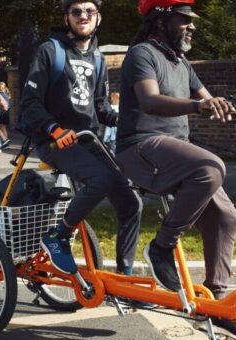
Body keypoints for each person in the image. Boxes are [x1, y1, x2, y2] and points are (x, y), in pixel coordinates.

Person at [116, 0, 236, 340]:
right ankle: (162, 247)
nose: (192, 26)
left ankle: (214, 303)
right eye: (185, 20)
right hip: (140, 147)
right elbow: (151, 101)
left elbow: (211, 103)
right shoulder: (142, 54)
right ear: (161, 20)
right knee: (211, 167)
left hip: (173, 154)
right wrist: (199, 105)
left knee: (227, 218)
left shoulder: (181, 62)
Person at [20, 0, 143, 278]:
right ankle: (58, 236)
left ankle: (125, 277)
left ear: (98, 18)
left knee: (131, 202)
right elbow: (29, 103)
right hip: (56, 141)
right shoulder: (50, 52)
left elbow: (100, 106)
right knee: (101, 179)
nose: (83, 16)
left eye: (89, 11)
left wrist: (124, 121)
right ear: (67, 18)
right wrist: (54, 128)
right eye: (76, 11)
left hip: (89, 141)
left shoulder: (98, 58)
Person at [0, 82, 11, 149]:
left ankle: (5, 140)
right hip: (7, 113)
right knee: (3, 127)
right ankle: (6, 144)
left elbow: (2, 102)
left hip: (2, 112)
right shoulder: (7, 94)